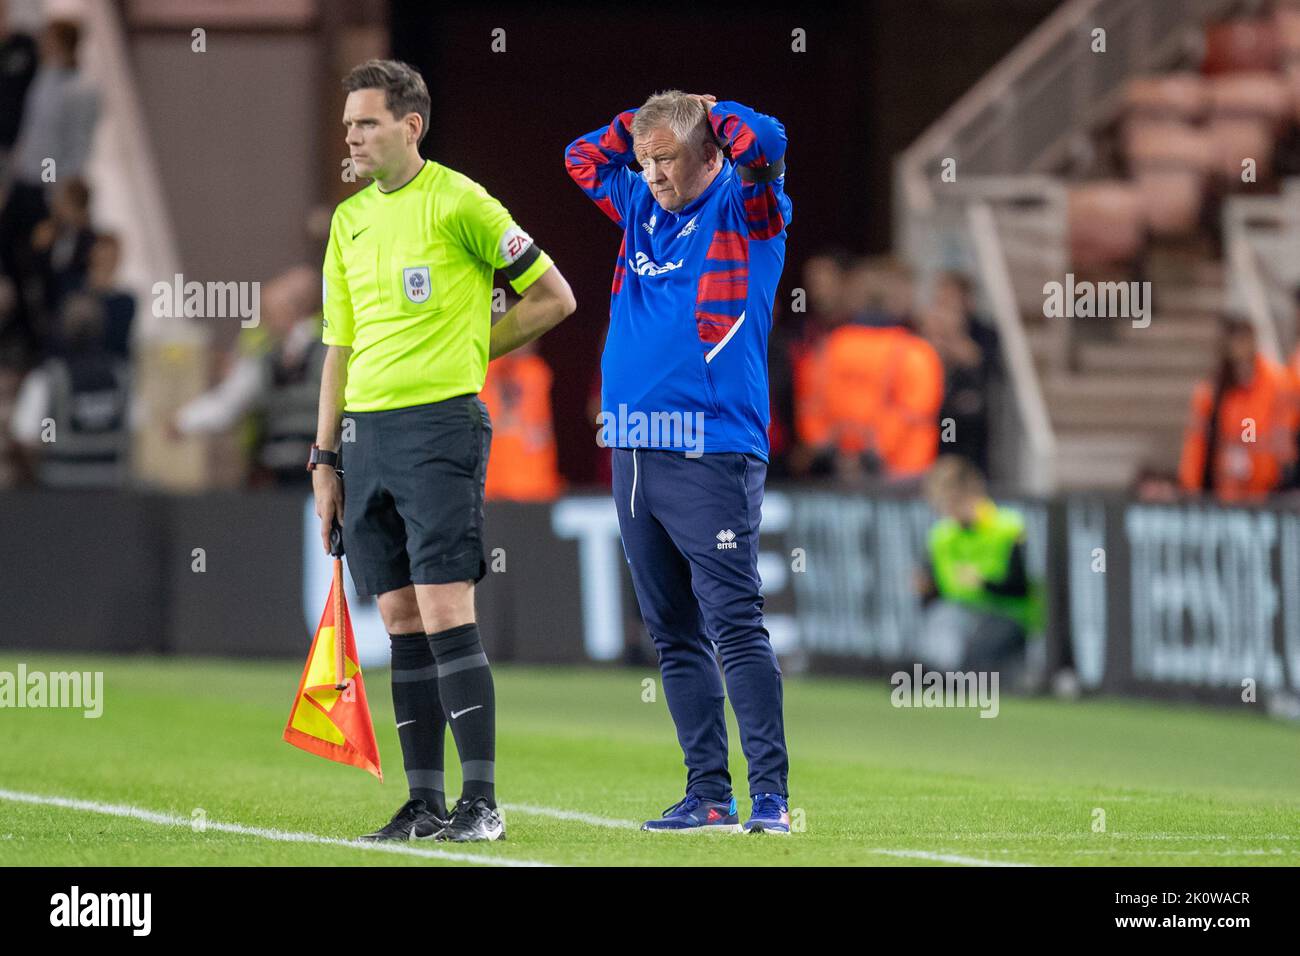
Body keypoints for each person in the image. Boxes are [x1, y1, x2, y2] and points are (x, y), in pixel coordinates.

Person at [314, 60, 575, 843]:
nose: (352, 136)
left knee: (443, 607)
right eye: (350, 123)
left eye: (366, 122)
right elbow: (339, 348)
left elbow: (555, 296)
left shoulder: (461, 201)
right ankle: (424, 801)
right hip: (365, 437)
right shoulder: (348, 221)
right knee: (397, 616)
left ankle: (482, 802)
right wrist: (325, 459)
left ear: (409, 126)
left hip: (439, 429)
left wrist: (471, 351)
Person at [566, 90, 792, 834]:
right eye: (645, 160)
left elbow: (765, 142)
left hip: (712, 446)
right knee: (671, 632)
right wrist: (642, 120)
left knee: (734, 623)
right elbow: (579, 156)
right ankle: (709, 794)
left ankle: (770, 798)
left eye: (668, 158)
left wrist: (711, 105)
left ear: (708, 153)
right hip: (633, 447)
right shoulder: (638, 203)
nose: (654, 174)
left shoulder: (747, 208)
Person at [915, 456, 1042, 676]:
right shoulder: (941, 535)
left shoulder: (1009, 526)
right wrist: (925, 588)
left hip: (1005, 615)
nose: (947, 510)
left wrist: (983, 583)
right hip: (959, 614)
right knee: (938, 633)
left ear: (971, 493)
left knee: (973, 654)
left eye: (951, 500)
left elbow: (1022, 587)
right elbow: (934, 594)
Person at [1178, 315, 1293, 502]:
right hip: (1224, 491)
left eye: (1244, 340)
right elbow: (1197, 443)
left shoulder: (1276, 384)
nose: (1240, 348)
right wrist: (1191, 488)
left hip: (1269, 492)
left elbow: (1283, 442)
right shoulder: (1213, 392)